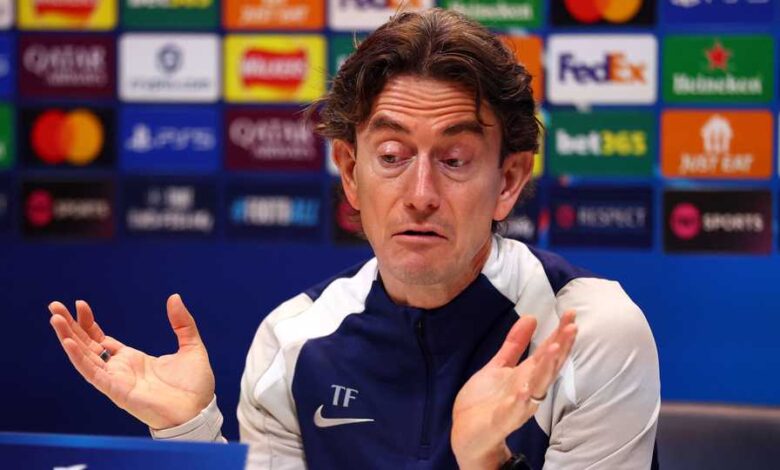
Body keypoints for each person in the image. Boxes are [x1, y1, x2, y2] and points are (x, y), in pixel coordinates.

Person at [47, 8, 660, 470]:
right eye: (391, 155)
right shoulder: (291, 344)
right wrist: (192, 434)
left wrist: (485, 462)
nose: (420, 193)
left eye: (454, 160)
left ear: (508, 180)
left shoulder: (590, 334)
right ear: (350, 171)